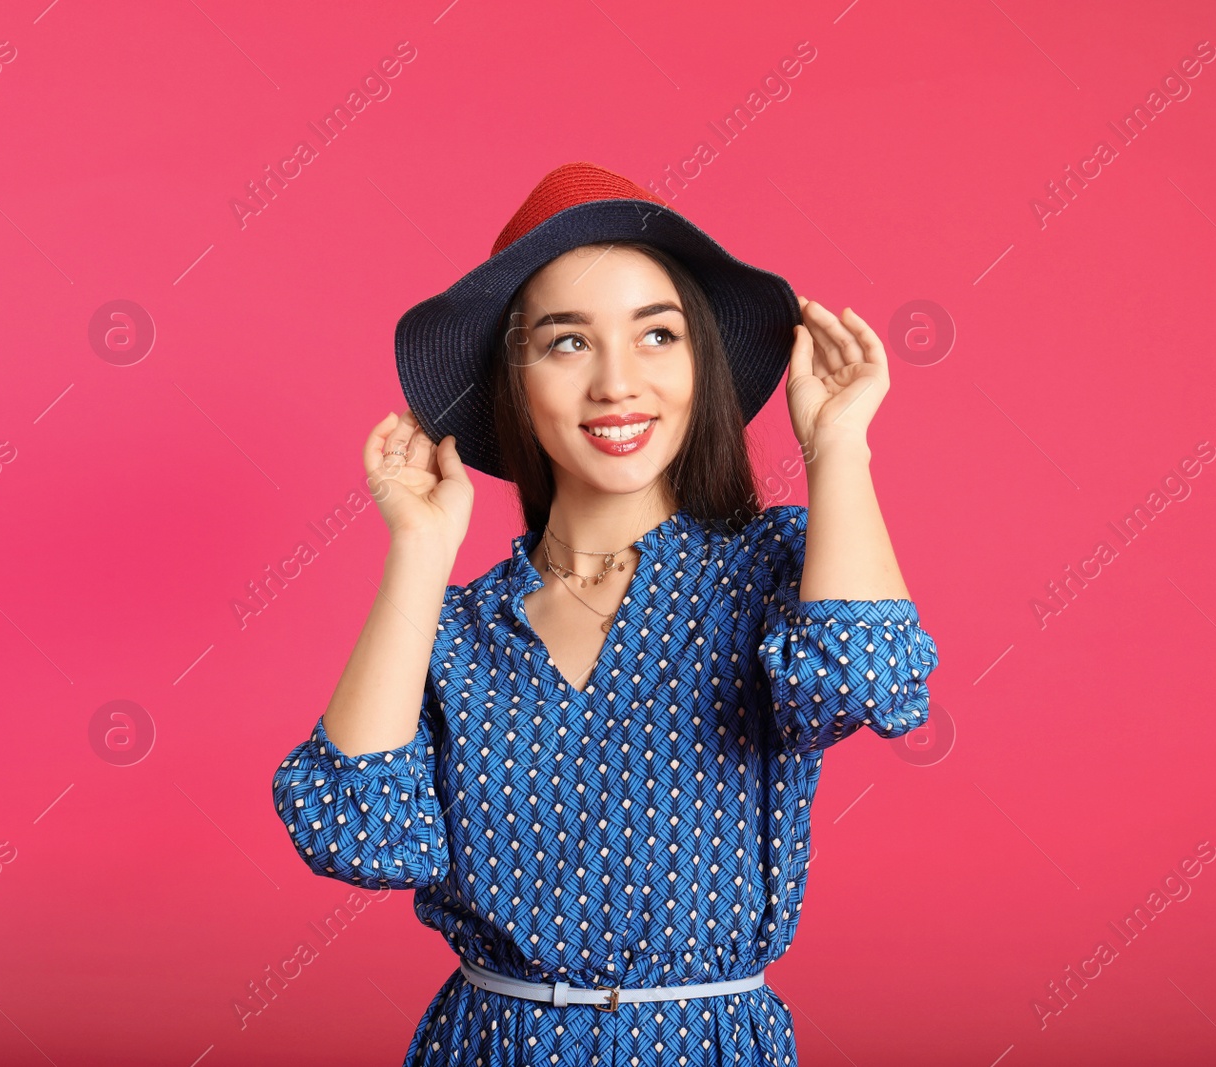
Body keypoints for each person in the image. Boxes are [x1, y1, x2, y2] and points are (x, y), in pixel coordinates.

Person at [270, 161, 941, 1066]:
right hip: (492, 1045)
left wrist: (838, 446)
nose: (617, 383)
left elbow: (869, 680)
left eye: (657, 335)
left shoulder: (774, 568)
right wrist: (418, 552)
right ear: (516, 383)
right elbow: (355, 831)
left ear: (700, 362)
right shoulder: (455, 631)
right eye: (567, 343)